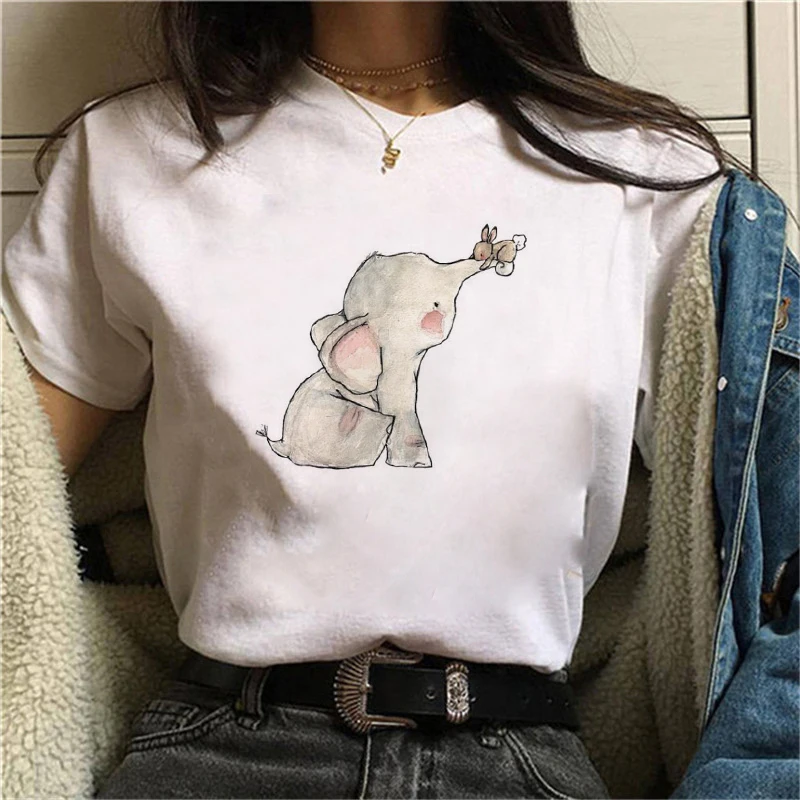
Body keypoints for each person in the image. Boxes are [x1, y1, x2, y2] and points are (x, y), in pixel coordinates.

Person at [1, 2, 786, 798]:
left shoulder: (647, 177)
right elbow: (14, 491)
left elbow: (773, 541)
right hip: (224, 752)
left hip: (518, 758)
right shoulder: (134, 153)